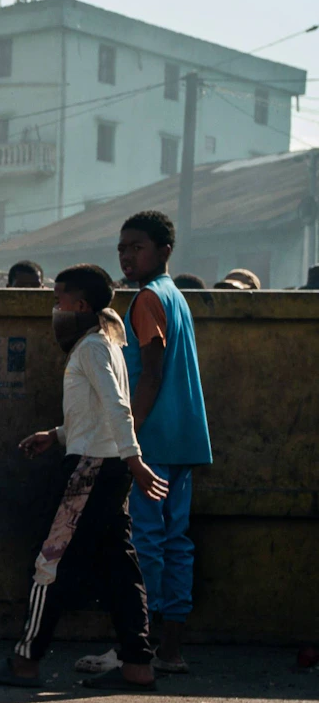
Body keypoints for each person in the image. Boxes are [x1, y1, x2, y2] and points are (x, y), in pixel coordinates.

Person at [0, 264, 168, 691]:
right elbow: (97, 413)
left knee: (51, 562)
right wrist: (58, 435)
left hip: (93, 469)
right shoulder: (104, 344)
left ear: (80, 305)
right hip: (105, 464)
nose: (55, 306)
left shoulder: (92, 349)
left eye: (59, 298)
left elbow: (118, 407)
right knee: (121, 567)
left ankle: (25, 661)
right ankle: (138, 665)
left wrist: (134, 459)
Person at [80, 210, 209, 677]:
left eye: (137, 247)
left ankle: (138, 648)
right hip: (184, 438)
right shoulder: (175, 297)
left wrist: (126, 434)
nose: (127, 255)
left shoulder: (147, 300)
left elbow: (150, 375)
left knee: (147, 542)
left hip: (152, 440)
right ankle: (170, 651)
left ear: (164, 251)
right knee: (176, 542)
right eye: (122, 248)